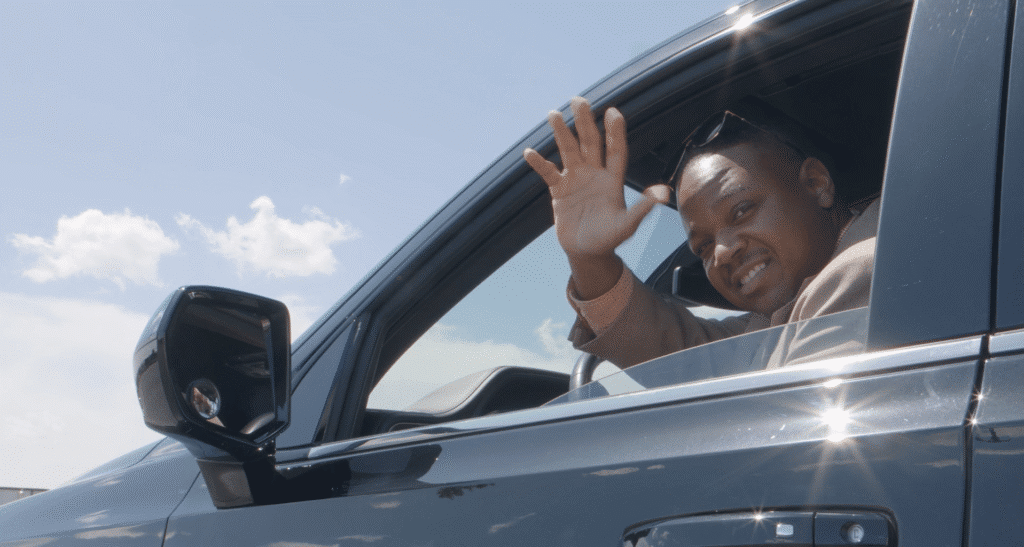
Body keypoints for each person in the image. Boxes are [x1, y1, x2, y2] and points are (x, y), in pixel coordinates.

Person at [523, 97, 878, 369]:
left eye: (741, 211)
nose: (720, 253)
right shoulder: (767, 326)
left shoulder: (863, 271)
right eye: (703, 246)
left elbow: (797, 442)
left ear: (816, 184)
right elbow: (671, 348)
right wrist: (589, 258)